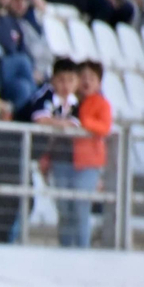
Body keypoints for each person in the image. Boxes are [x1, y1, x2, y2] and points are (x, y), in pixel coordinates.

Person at [54, 59, 110, 250]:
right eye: (83, 77)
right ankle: (66, 248)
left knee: (80, 209)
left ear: (99, 82)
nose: (86, 82)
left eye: (92, 78)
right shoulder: (66, 101)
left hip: (86, 164)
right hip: (62, 160)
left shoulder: (100, 104)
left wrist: (83, 121)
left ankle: (81, 250)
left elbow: (104, 127)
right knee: (64, 209)